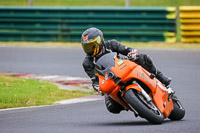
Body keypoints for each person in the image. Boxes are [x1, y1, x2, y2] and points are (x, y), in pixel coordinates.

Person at [81, 27, 171, 114]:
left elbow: (127, 50)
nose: (90, 49)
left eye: (91, 45)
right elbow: (94, 79)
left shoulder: (112, 44)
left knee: (143, 58)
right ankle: (131, 103)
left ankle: (161, 78)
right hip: (111, 82)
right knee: (111, 106)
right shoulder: (87, 63)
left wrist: (132, 53)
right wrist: (97, 86)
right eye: (87, 47)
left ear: (99, 41)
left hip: (125, 68)